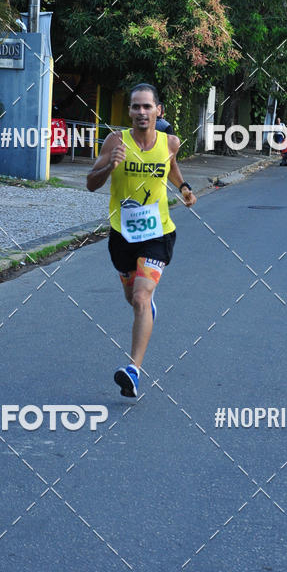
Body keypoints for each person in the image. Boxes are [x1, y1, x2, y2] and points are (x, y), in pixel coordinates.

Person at [86, 83, 196, 397]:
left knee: (140, 298)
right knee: (132, 299)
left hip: (158, 232)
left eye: (147, 106)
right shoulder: (115, 140)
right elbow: (91, 184)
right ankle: (146, 310)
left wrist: (184, 187)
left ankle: (133, 370)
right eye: (135, 107)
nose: (141, 112)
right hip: (122, 235)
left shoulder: (170, 142)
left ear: (158, 111)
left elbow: (170, 164)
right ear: (130, 111)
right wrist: (109, 164)